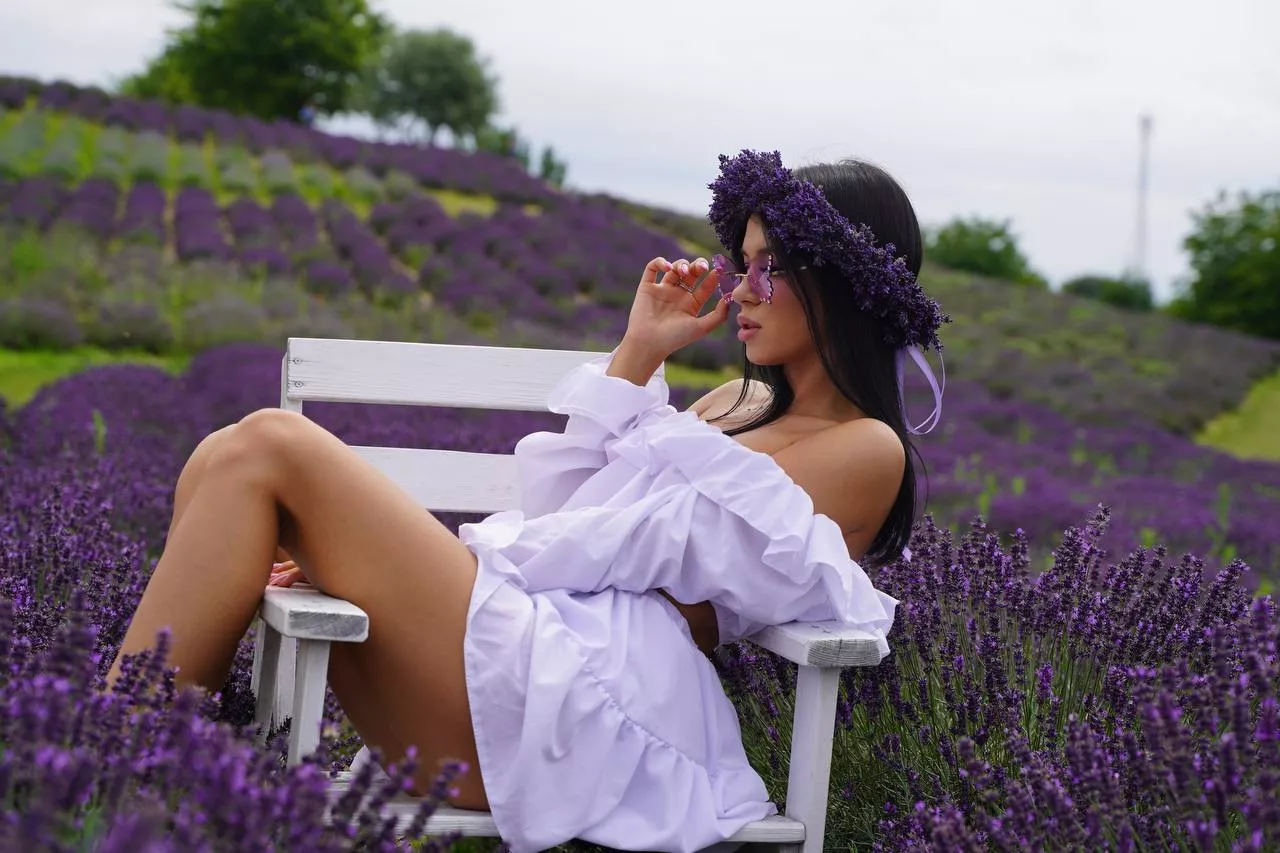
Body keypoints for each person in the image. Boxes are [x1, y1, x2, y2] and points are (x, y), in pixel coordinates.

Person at [106, 149, 948, 853]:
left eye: (776, 270)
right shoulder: (730, 403)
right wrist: (636, 354)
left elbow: (654, 547)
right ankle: (142, 781)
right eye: (745, 262)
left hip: (587, 698)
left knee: (267, 443)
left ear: (845, 285)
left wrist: (387, 553)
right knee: (222, 456)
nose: (742, 290)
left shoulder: (866, 448)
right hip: (528, 641)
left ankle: (104, 769)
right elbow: (570, 521)